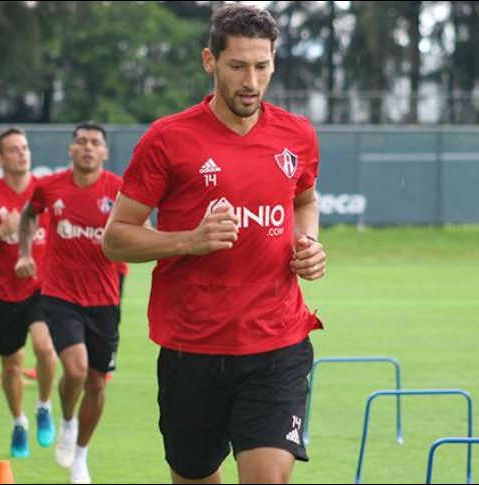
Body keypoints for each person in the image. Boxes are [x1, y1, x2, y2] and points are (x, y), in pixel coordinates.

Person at [102, 4, 326, 484]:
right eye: (237, 66)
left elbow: (305, 200)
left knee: (268, 478)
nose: (251, 81)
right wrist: (189, 240)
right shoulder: (167, 138)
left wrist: (306, 240)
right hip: (194, 347)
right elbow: (116, 239)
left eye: (261, 66)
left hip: (277, 340)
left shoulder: (298, 135)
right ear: (210, 62)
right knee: (194, 477)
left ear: (273, 63)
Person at [16, 123, 126, 484]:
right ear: (70, 149)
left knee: (97, 383)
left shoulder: (118, 190)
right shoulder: (49, 187)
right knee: (76, 370)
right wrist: (25, 253)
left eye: (95, 143)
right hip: (60, 295)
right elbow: (29, 216)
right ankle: (67, 422)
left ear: (105, 153)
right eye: (81, 142)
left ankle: (80, 455)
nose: (88, 148)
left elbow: (137, 228)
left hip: (106, 299)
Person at [0, 127, 57, 458]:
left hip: (42, 288)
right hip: (3, 294)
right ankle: (19, 422)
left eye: (25, 147)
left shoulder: (44, 190)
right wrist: (1, 230)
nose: (23, 153)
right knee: (11, 366)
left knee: (46, 348)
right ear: (0, 159)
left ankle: (44, 406)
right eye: (14, 149)